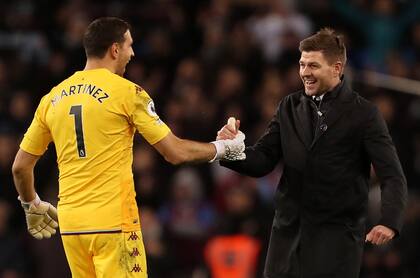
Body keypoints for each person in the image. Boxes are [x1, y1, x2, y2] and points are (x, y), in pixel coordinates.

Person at [11, 17, 245, 278]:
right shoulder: (127, 93)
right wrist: (224, 148)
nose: (132, 53)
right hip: (114, 224)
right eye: (129, 45)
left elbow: (20, 167)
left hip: (72, 226)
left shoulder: (52, 98)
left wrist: (31, 204)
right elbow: (175, 152)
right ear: (114, 49)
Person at [216, 28, 407, 278]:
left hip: (335, 241)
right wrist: (229, 149)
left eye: (313, 65)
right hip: (286, 237)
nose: (305, 72)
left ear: (337, 68)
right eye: (302, 64)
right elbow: (263, 160)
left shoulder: (364, 114)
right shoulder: (288, 106)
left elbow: (392, 174)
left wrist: (389, 221)